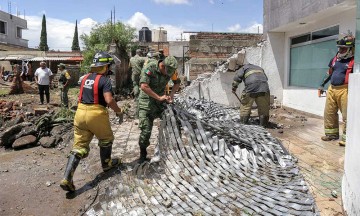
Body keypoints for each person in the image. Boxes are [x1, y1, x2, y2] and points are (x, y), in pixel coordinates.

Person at [60, 51, 124, 192]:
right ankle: (106, 164)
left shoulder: (84, 78)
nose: (110, 69)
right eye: (109, 66)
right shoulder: (105, 80)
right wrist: (118, 111)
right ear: (105, 66)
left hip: (80, 113)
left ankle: (67, 178)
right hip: (96, 114)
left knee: (79, 146)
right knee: (106, 139)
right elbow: (109, 100)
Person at [138, 56, 180, 163]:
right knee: (146, 131)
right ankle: (142, 155)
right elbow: (144, 86)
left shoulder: (171, 71)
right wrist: (159, 97)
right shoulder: (150, 68)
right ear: (162, 66)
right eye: (167, 72)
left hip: (160, 102)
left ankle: (173, 149)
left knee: (174, 120)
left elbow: (177, 83)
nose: (168, 75)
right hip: (146, 102)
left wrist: (171, 94)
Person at [318, 32, 355, 146]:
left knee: (347, 115)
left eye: (343, 49)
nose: (340, 51)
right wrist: (321, 85)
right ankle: (331, 134)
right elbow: (329, 72)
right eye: (339, 48)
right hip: (332, 89)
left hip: (346, 90)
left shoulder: (354, 61)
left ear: (350, 49)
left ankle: (346, 139)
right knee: (329, 113)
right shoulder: (335, 59)